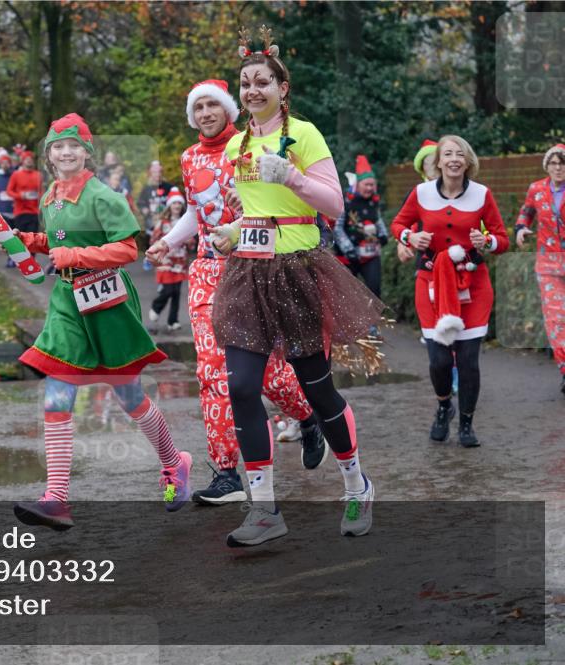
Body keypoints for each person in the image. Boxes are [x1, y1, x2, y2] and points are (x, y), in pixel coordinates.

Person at [211, 28, 384, 545]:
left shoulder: (304, 134)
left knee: (315, 386)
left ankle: (357, 486)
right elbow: (256, 216)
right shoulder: (236, 146)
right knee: (240, 385)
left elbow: (334, 205)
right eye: (245, 84)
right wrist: (230, 232)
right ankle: (263, 509)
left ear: (282, 88)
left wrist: (291, 177)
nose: (253, 91)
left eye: (262, 81)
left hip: (299, 271)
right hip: (248, 272)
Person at [146, 78, 324, 507]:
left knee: (265, 373)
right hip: (207, 271)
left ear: (229, 110)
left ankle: (307, 417)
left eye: (212, 106)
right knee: (211, 372)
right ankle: (226, 472)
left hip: (252, 267)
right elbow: (195, 210)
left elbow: (276, 204)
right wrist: (169, 242)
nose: (205, 113)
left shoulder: (249, 149)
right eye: (198, 108)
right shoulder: (189, 157)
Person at [13, 113, 193, 530]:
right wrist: (31, 242)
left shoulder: (104, 196)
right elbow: (59, 243)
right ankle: (56, 498)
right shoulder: (49, 198)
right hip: (67, 304)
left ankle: (173, 462)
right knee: (57, 395)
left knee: (129, 398)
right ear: (49, 155)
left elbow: (127, 250)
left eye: (74, 145)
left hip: (108, 302)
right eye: (58, 146)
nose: (66, 152)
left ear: (86, 152)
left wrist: (75, 257)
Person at [391, 135, 509, 446]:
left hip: (472, 282)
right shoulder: (422, 193)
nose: (454, 159)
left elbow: (501, 238)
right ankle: (445, 406)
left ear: (468, 162)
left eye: (460, 154)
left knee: (468, 360)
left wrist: (488, 242)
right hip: (431, 284)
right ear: (438, 161)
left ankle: (467, 424)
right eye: (448, 154)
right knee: (439, 361)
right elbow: (398, 225)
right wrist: (409, 238)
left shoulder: (482, 195)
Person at [515, 142, 565, 396]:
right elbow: (526, 213)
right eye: (553, 163)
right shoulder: (536, 189)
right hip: (548, 264)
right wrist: (521, 229)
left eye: (562, 163)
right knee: (556, 320)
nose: (558, 168)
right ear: (547, 166)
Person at [333, 155, 389, 299]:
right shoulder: (346, 200)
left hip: (370, 254)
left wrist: (383, 235)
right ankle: (349, 321)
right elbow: (338, 228)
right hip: (348, 255)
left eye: (372, 185)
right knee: (348, 293)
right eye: (367, 184)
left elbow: (378, 219)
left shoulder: (373, 201)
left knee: (374, 289)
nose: (370, 188)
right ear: (358, 184)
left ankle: (373, 321)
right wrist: (348, 249)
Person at [148, 187, 190, 333]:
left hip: (180, 262)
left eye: (179, 203)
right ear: (169, 206)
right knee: (168, 291)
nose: (177, 206)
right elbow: (154, 239)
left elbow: (191, 242)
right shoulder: (162, 222)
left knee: (177, 292)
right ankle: (156, 306)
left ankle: (173, 321)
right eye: (174, 203)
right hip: (165, 262)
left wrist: (188, 241)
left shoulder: (187, 222)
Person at [0, 150, 17, 268]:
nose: (5, 165)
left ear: (10, 164)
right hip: (2, 209)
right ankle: (10, 257)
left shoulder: (14, 175)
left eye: (7, 163)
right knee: (7, 236)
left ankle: (17, 258)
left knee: (16, 235)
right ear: (0, 164)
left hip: (15, 209)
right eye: (3, 163)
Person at [6, 150, 42, 234]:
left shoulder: (38, 175)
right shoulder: (16, 174)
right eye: (27, 159)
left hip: (35, 211)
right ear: (22, 161)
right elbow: (9, 191)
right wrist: (20, 195)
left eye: (31, 159)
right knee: (21, 238)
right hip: (20, 211)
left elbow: (42, 191)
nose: (29, 160)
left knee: (32, 238)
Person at [136, 161, 174, 234]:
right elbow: (140, 203)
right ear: (150, 173)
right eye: (155, 172)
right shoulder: (146, 189)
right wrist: (145, 210)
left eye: (159, 172)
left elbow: (177, 203)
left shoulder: (169, 187)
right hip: (151, 225)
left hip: (168, 225)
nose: (158, 174)